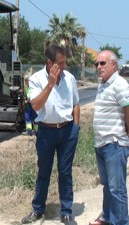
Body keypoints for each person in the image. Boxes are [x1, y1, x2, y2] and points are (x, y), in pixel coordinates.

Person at [21, 44, 80, 225]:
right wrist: (50, 84)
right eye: (60, 63)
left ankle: (66, 211)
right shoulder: (36, 79)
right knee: (44, 172)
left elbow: (76, 103)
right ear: (49, 62)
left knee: (65, 172)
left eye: (64, 63)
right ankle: (38, 210)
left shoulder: (70, 78)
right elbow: (36, 105)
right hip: (46, 132)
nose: (63, 67)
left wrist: (76, 127)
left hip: (68, 131)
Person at [89, 50, 129, 225]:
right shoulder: (103, 83)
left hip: (115, 144)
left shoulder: (120, 84)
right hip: (102, 144)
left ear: (114, 65)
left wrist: (128, 132)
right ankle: (107, 217)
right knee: (108, 187)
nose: (99, 67)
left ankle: (120, 222)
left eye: (103, 63)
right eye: (97, 64)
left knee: (117, 189)